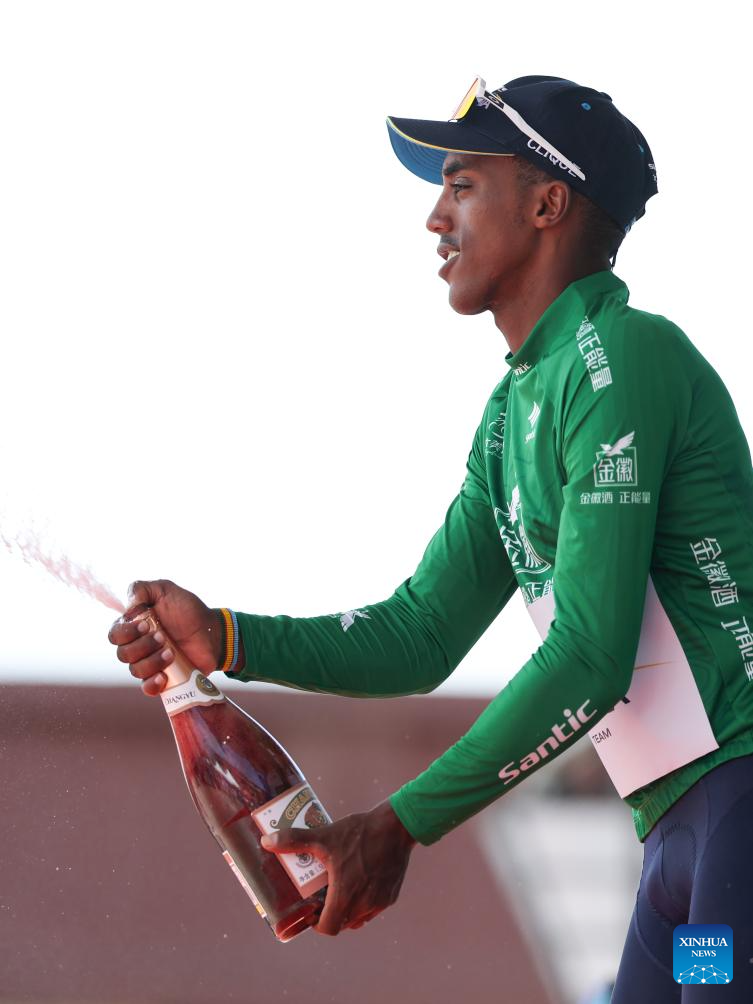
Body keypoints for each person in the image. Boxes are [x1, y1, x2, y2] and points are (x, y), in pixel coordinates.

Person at [109, 75, 753, 999]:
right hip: (677, 842)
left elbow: (589, 657)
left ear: (546, 204)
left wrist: (399, 824)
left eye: (460, 185)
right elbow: (419, 633)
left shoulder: (621, 358)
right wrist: (226, 636)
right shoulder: (512, 411)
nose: (433, 219)